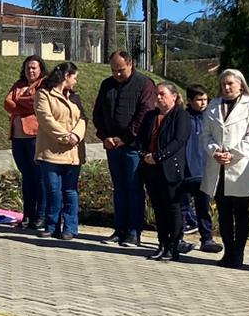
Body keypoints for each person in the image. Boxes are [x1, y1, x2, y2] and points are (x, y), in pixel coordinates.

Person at [93, 50, 157, 246]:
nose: (117, 74)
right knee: (119, 188)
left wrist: (125, 138)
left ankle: (133, 231)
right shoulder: (107, 84)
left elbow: (144, 115)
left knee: (133, 188)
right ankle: (119, 229)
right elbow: (98, 113)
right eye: (113, 70)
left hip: (133, 147)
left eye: (120, 70)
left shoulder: (144, 84)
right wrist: (104, 136)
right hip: (112, 146)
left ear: (130, 64)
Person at [201, 68, 249, 269]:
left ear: (240, 86)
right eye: (223, 84)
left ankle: (238, 253)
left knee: (241, 211)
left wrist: (233, 153)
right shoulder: (213, 105)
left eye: (230, 84)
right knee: (224, 211)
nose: (226, 87)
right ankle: (228, 251)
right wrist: (214, 151)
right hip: (217, 165)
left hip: (239, 166)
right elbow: (205, 134)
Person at [137, 82, 192, 261]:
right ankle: (162, 243)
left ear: (174, 97)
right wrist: (144, 154)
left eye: (162, 94)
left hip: (169, 169)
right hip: (151, 169)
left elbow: (178, 141)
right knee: (158, 208)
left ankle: (173, 246)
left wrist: (158, 156)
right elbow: (141, 139)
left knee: (172, 208)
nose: (158, 97)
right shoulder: (151, 116)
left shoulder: (181, 116)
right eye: (157, 94)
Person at [34, 62, 86, 240]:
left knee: (70, 191)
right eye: (74, 78)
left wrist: (76, 136)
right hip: (50, 152)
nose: (76, 82)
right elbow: (45, 119)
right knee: (53, 191)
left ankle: (70, 228)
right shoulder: (44, 94)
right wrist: (65, 137)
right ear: (66, 76)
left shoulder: (75, 97)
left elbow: (83, 119)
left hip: (72, 153)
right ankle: (51, 225)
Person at [4, 56, 47, 229]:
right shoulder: (18, 84)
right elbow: (7, 103)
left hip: (34, 136)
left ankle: (41, 215)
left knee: (39, 177)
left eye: (34, 68)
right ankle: (28, 215)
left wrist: (19, 101)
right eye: (28, 68)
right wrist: (24, 104)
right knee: (27, 176)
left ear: (40, 69)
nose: (30, 71)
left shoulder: (44, 84)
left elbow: (36, 102)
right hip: (18, 137)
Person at [180, 85, 219, 253]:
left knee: (203, 207)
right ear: (189, 100)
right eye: (199, 100)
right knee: (182, 206)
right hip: (186, 171)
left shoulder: (210, 119)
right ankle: (178, 238)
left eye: (205, 99)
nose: (203, 103)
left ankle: (207, 238)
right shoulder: (183, 118)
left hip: (204, 171)